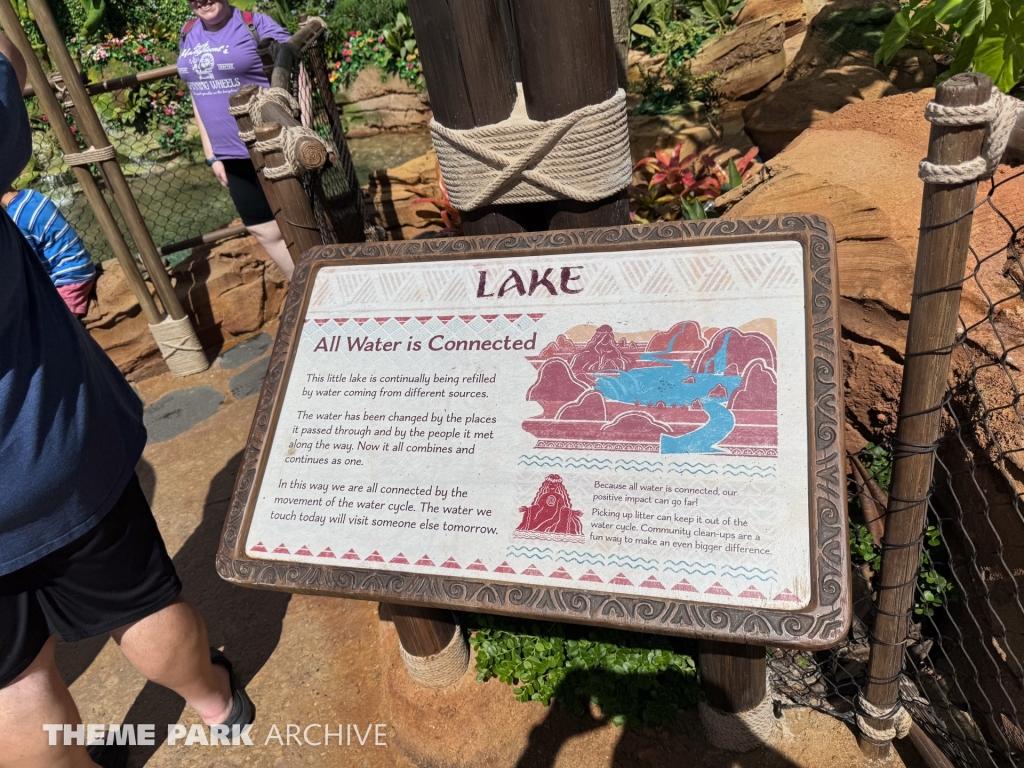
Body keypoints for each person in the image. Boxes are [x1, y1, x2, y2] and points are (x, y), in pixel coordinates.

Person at [0, 35, 253, 768]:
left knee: (15, 680)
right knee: (137, 601)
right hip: (50, 448)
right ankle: (218, 703)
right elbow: (10, 57)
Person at [178, 0, 295, 279]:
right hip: (229, 153)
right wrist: (211, 154)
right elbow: (196, 91)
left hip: (272, 143)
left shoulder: (256, 25)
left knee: (300, 218)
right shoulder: (189, 31)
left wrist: (301, 127)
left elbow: (298, 72)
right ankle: (310, 288)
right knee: (263, 229)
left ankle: (331, 280)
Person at [2, 185, 97, 318]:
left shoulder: (16, 218)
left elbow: (30, 264)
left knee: (57, 326)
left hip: (69, 279)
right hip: (81, 265)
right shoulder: (31, 194)